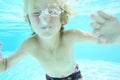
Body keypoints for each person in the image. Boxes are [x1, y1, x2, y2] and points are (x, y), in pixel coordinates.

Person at [0, 0, 120, 80]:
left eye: (51, 12)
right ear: (28, 19)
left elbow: (101, 40)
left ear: (62, 17)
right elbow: (5, 66)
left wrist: (116, 36)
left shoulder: (71, 36)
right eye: (37, 13)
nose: (44, 19)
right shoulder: (29, 45)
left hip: (74, 76)